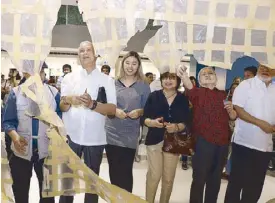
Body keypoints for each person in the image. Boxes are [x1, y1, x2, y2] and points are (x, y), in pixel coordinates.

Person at [59, 41, 116, 203]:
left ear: (95, 54)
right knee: (67, 182)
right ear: (78, 56)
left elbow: (112, 110)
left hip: (95, 139)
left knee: (92, 185)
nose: (85, 53)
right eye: (81, 51)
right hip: (71, 137)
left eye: (88, 50)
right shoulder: (69, 79)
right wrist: (70, 99)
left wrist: (92, 104)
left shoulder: (107, 80)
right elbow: (62, 107)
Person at [177, 65, 237, 203]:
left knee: (215, 180)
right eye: (204, 74)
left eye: (211, 73)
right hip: (203, 142)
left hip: (222, 143)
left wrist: (231, 112)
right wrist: (183, 75)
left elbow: (232, 117)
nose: (208, 74)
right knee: (199, 179)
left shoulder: (223, 95)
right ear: (199, 80)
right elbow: (188, 85)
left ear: (216, 79)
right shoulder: (197, 92)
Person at [3, 62, 61, 203]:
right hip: (20, 152)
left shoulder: (53, 94)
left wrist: (57, 131)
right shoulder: (15, 93)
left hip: (46, 153)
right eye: (29, 71)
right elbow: (8, 121)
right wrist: (15, 137)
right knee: (20, 192)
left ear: (43, 72)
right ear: (24, 73)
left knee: (47, 196)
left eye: (38, 70)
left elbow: (60, 119)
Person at [224, 64, 275, 203]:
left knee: (254, 188)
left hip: (265, 147)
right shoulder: (246, 85)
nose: (265, 70)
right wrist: (261, 124)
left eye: (270, 67)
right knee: (236, 184)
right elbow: (239, 110)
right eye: (263, 66)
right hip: (243, 143)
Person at [105, 51, 150, 192]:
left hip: (130, 133)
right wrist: (114, 110)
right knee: (113, 170)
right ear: (122, 64)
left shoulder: (143, 85)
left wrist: (139, 112)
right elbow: (105, 105)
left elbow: (147, 108)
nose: (130, 66)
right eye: (127, 63)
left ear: (138, 66)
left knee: (125, 171)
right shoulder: (113, 83)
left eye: (134, 63)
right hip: (111, 132)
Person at [143, 72, 190, 203]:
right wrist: (151, 122)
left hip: (173, 142)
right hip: (154, 140)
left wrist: (177, 127)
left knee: (168, 178)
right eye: (165, 78)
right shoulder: (154, 96)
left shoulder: (182, 98)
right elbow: (144, 117)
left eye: (172, 78)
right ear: (161, 80)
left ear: (177, 81)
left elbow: (187, 121)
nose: (168, 81)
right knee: (154, 175)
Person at [222, 82, 240, 180]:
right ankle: (226, 169)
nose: (234, 90)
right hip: (225, 126)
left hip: (236, 127)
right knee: (226, 148)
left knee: (232, 149)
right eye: (233, 88)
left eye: (236, 88)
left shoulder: (241, 100)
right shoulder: (226, 98)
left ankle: (229, 171)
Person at [181, 76, 198, 170]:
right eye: (189, 82)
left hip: (196, 122)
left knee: (195, 142)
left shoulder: (198, 95)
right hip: (185, 122)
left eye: (193, 82)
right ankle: (184, 160)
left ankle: (194, 160)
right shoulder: (182, 95)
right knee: (185, 141)